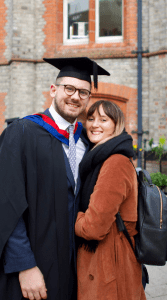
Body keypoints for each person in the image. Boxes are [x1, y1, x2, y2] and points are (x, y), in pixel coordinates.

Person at [0, 57, 110, 300]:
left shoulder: (85, 141)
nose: (75, 96)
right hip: (33, 260)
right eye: (69, 88)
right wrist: (23, 264)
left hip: (72, 263)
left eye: (83, 92)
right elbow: (6, 203)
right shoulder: (22, 134)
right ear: (53, 90)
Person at [75, 100, 146, 300]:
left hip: (110, 265)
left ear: (116, 125)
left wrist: (70, 216)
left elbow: (93, 228)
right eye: (91, 119)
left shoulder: (115, 162)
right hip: (105, 259)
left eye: (103, 120)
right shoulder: (99, 157)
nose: (94, 124)